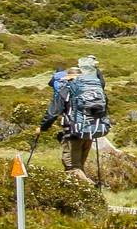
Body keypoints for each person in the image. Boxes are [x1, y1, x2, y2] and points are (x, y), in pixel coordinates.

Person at [41, 55, 112, 183]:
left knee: (72, 167)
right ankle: (84, 194)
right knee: (79, 166)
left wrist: (42, 127)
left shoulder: (68, 89)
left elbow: (53, 112)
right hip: (89, 132)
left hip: (73, 133)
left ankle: (89, 189)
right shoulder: (95, 88)